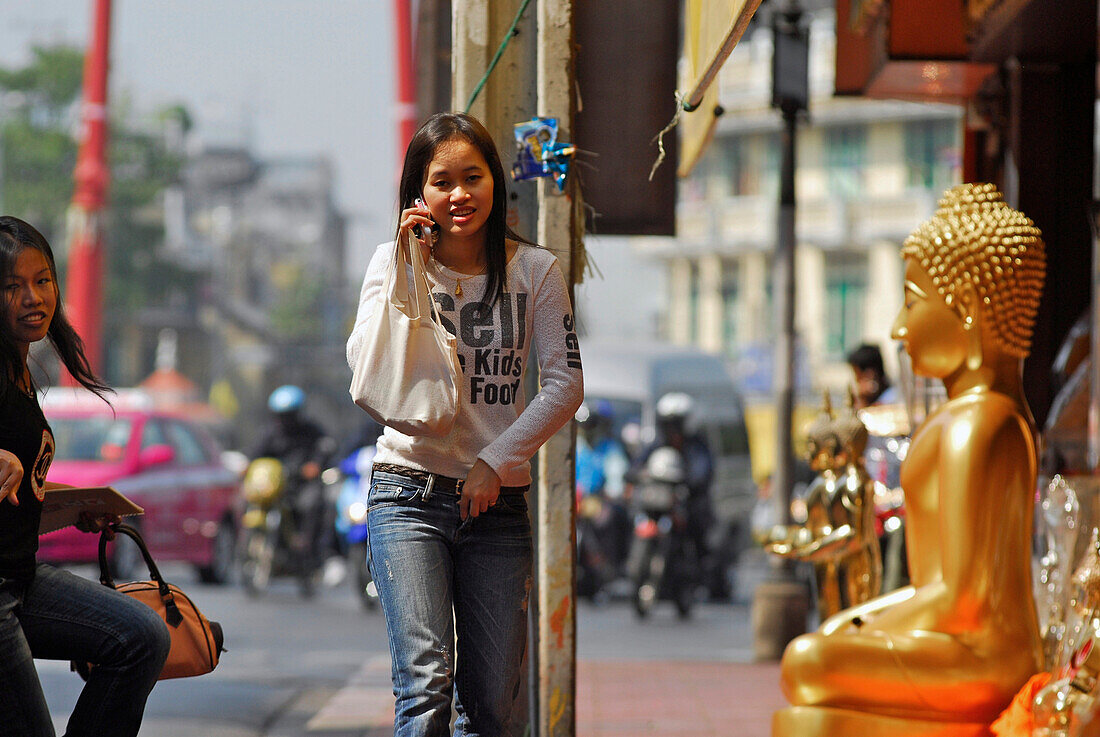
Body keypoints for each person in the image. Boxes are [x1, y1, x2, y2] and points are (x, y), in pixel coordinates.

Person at [776, 183, 1046, 735]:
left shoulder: (980, 422)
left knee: (808, 662)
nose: (899, 327)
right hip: (956, 643)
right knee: (812, 674)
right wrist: (857, 622)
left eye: (911, 299)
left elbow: (963, 599)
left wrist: (854, 628)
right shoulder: (977, 417)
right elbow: (937, 591)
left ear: (967, 309)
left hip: (982, 658)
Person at [346, 112, 583, 737]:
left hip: (498, 507)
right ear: (417, 196)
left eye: (471, 177)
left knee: (492, 707)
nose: (459, 195)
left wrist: (494, 460)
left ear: (495, 183)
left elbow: (564, 384)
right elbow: (363, 364)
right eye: (441, 182)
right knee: (424, 692)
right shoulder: (389, 262)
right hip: (406, 494)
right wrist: (405, 263)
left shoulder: (535, 271)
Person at [0, 216, 171, 737]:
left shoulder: (22, 366)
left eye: (43, 280)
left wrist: (75, 506)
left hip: (20, 578)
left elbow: (14, 500)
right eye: (11, 286)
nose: (33, 297)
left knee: (142, 637)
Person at [249, 384, 335, 567]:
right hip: (276, 485)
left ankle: (304, 544)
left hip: (303, 484)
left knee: (311, 504)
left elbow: (325, 449)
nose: (285, 420)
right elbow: (255, 454)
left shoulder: (312, 432)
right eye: (281, 415)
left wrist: (315, 465)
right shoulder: (270, 432)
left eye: (289, 415)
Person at [631, 392, 714, 563]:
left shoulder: (696, 445)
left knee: (698, 525)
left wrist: (690, 483)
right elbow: (638, 464)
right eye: (667, 424)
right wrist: (634, 475)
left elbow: (702, 472)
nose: (671, 430)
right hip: (660, 500)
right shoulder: (658, 443)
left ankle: (701, 567)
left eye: (675, 424)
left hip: (687, 501)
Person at [845, 343, 899, 410]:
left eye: (857, 374)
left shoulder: (890, 399)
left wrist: (862, 399)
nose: (856, 380)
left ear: (869, 374)